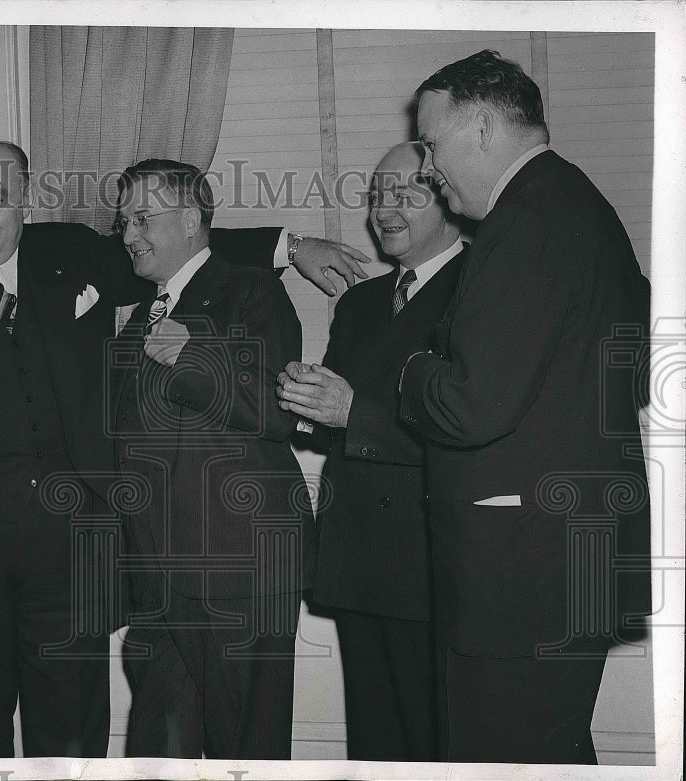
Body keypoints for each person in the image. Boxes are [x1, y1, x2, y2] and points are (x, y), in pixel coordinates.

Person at [0, 138, 368, 758]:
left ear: (25, 202)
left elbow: (186, 247)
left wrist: (292, 246)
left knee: (77, 744)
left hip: (74, 560)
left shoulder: (72, 253)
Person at [400, 50, 651, 763]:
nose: (427, 168)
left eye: (431, 144)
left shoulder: (522, 223)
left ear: (482, 128)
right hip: (571, 560)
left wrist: (414, 372)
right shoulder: (582, 203)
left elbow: (472, 405)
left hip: (518, 575)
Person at [111, 159, 313, 759]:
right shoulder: (140, 315)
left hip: (237, 573)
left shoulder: (254, 289)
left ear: (191, 220)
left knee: (245, 753)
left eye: (142, 218)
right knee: (157, 754)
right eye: (123, 222)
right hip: (159, 582)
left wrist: (194, 353)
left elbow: (278, 407)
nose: (127, 234)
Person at [277, 141, 465, 761]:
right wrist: (302, 403)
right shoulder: (358, 302)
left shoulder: (481, 288)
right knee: (376, 748)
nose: (385, 209)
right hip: (357, 562)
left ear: (450, 196)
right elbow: (340, 424)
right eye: (378, 194)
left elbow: (470, 427)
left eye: (406, 193)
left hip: (433, 567)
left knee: (437, 746)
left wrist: (351, 412)